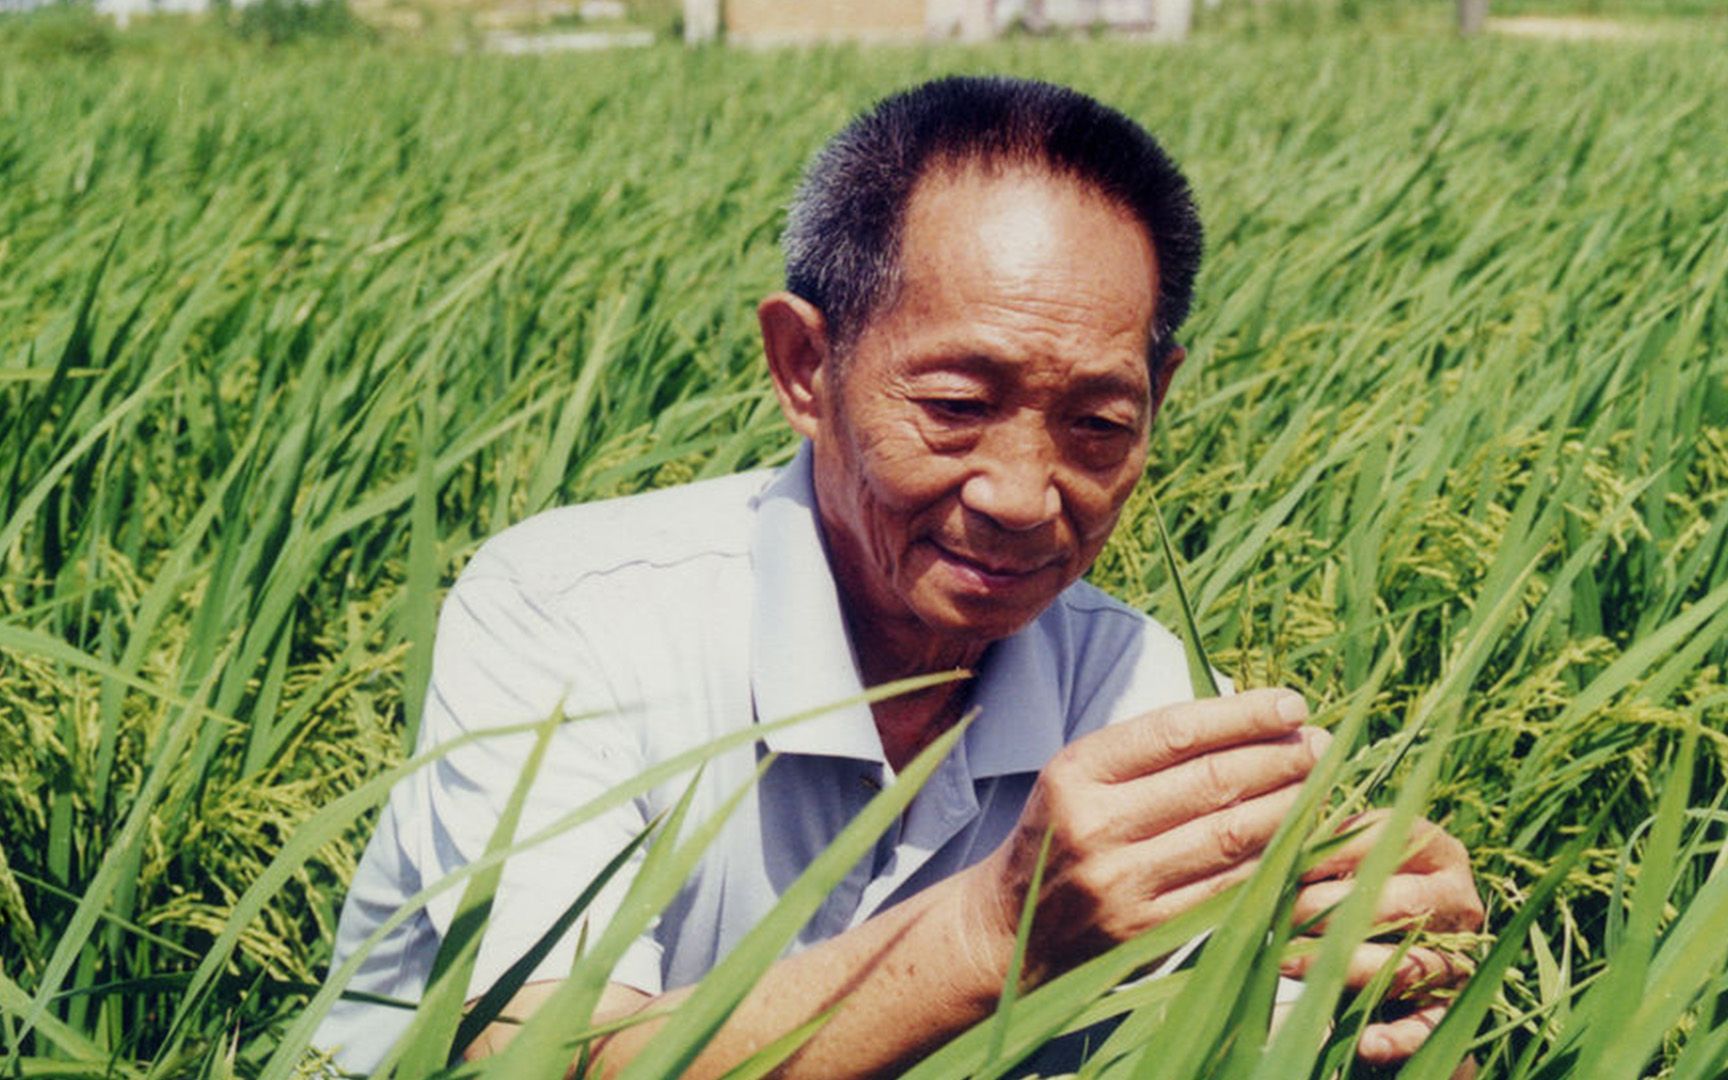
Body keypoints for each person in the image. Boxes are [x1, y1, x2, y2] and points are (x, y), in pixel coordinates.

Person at [315, 75, 1483, 1076]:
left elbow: (1225, 1031)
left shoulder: (1132, 678)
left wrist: (1383, 988)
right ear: (805, 365)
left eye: (1098, 423)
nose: (1024, 495)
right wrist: (996, 932)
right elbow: (532, 1056)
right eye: (957, 407)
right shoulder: (565, 613)